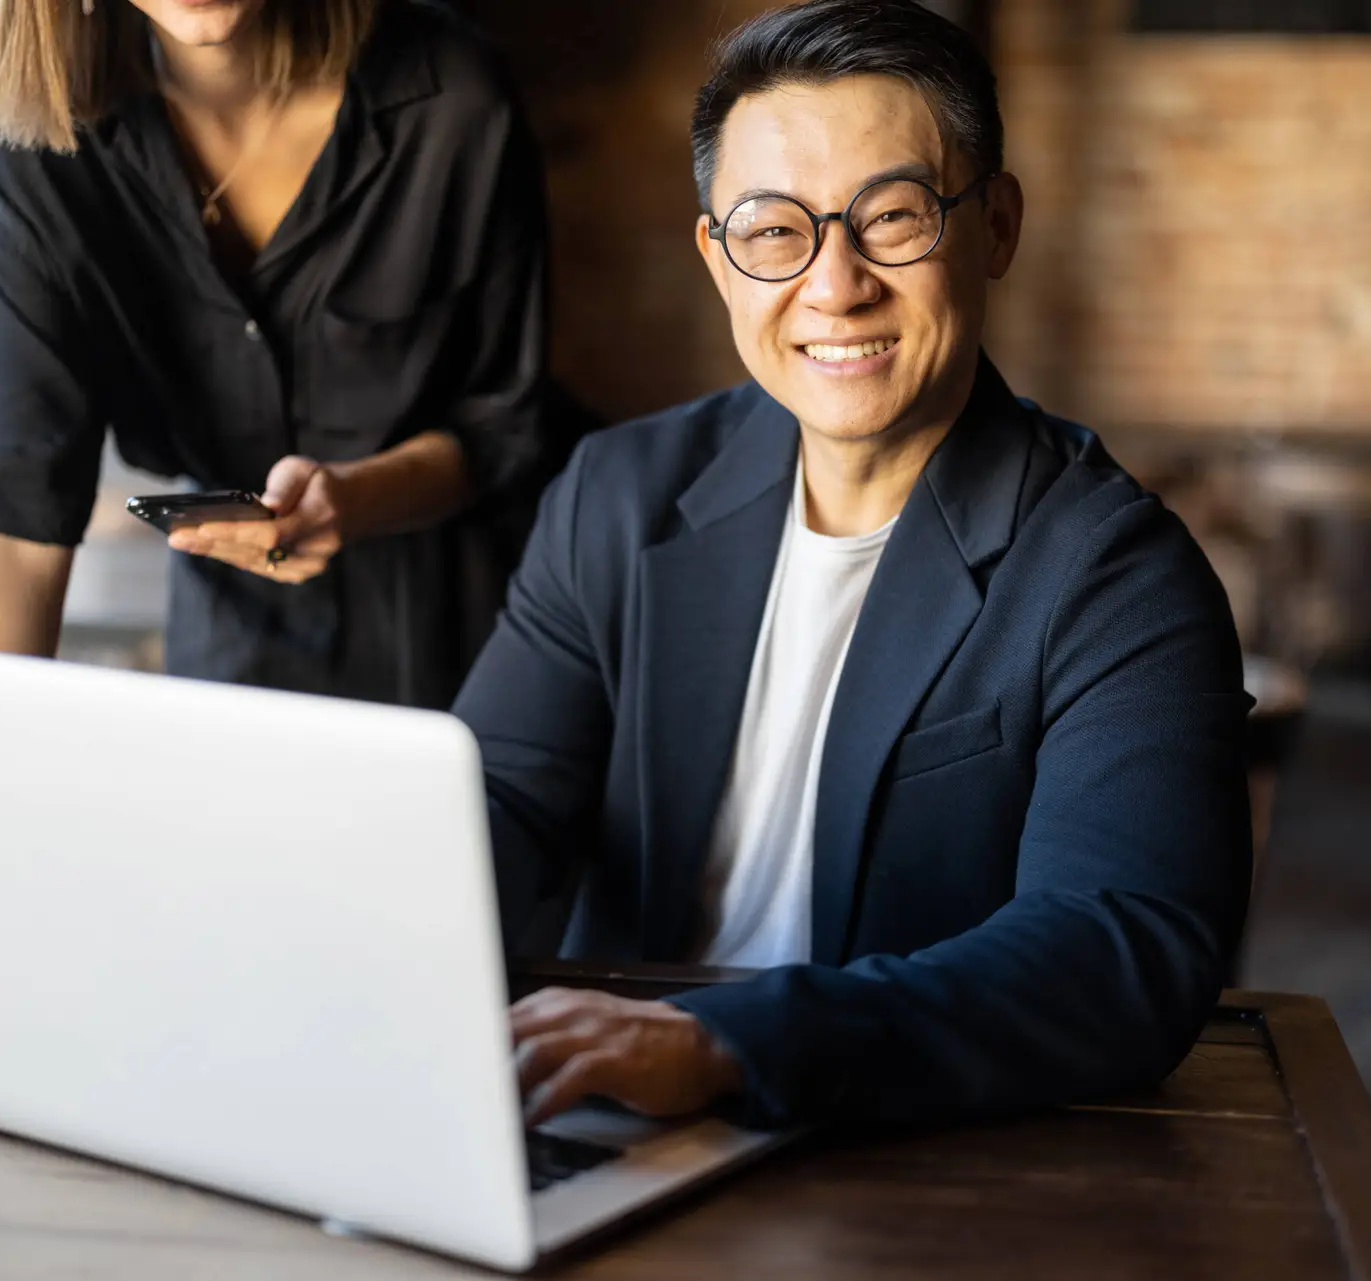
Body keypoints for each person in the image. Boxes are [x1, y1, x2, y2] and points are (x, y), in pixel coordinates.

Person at [477, 0, 1254, 1127]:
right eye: (774, 231)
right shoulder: (620, 496)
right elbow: (496, 800)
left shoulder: (1116, 574)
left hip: (906, 1141)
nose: (835, 286)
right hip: (603, 1113)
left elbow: (1122, 947)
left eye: (892, 218)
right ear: (718, 258)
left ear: (994, 227)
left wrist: (723, 1046)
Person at [0, 0, 558, 975]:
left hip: (470, 655)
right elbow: (17, 485)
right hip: (229, 657)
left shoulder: (450, 93)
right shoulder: (41, 129)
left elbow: (506, 428)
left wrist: (354, 498)